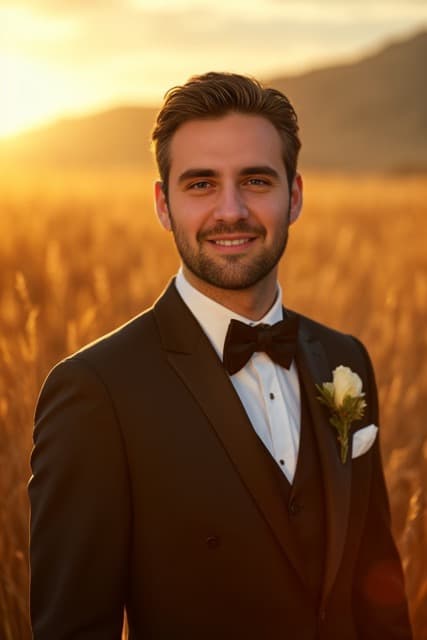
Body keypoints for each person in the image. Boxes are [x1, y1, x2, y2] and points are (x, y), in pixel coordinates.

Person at [29, 72, 413, 639]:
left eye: (256, 180)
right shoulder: (95, 390)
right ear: (163, 204)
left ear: (296, 194)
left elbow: (377, 590)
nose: (230, 211)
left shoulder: (345, 358)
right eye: (201, 184)